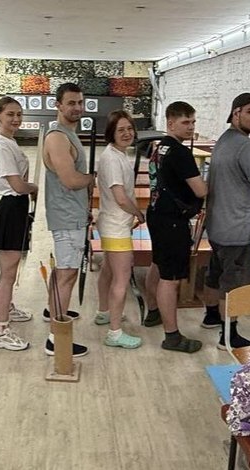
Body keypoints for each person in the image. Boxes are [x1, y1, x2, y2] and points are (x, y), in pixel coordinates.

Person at [207, 92, 250, 350]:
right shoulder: (247, 147)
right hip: (239, 227)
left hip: (218, 224)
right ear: (236, 113)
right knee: (233, 284)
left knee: (216, 273)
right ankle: (228, 336)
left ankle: (211, 315)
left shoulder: (223, 140)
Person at [146, 101, 207, 353]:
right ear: (171, 123)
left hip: (156, 213)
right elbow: (200, 190)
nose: (191, 127)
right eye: (185, 122)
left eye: (193, 122)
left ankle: (153, 311)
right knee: (170, 279)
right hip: (172, 219)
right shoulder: (181, 153)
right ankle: (172, 336)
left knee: (158, 264)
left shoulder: (158, 147)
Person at [42, 82, 93, 357]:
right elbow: (71, 180)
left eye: (80, 102)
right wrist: (93, 177)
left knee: (63, 272)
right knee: (67, 275)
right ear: (58, 105)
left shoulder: (68, 135)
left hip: (72, 215)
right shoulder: (58, 138)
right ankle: (56, 340)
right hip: (67, 218)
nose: (77, 108)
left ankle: (54, 314)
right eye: (71, 103)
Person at [0, 96, 36, 351]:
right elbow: (17, 185)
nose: (16, 119)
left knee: (11, 270)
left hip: (16, 208)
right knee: (7, 274)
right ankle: (1, 330)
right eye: (10, 114)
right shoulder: (2, 145)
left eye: (19, 114)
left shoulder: (9, 141)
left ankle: (8, 308)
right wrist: (33, 187)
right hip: (11, 207)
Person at [94, 110, 143, 349]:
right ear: (111, 133)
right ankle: (114, 332)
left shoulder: (117, 154)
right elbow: (121, 198)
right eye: (120, 130)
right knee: (121, 279)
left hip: (112, 223)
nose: (126, 133)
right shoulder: (112, 159)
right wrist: (139, 213)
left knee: (108, 270)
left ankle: (104, 312)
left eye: (129, 128)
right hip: (116, 227)